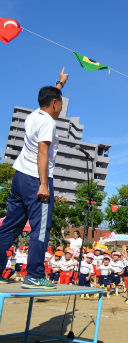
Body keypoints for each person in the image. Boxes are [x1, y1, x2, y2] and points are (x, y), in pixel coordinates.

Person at [0, 68, 68, 288]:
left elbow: (50, 96)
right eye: (60, 103)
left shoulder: (33, 116)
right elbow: (43, 152)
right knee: (41, 228)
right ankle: (34, 275)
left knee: (10, 226)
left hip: (19, 176)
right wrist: (43, 184)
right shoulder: (48, 122)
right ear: (55, 104)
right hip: (36, 179)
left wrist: (60, 84)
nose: (61, 108)